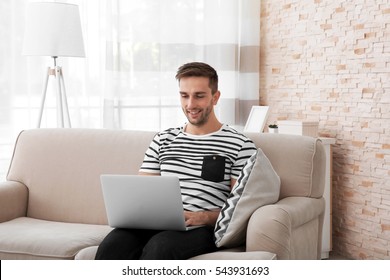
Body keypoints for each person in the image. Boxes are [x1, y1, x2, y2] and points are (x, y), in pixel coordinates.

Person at [95, 62, 257, 260]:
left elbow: (241, 209)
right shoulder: (163, 140)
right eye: (184, 95)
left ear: (215, 97)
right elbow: (143, 194)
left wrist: (203, 217)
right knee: (112, 246)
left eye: (199, 96)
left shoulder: (240, 144)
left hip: (202, 228)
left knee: (160, 248)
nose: (190, 105)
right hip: (157, 224)